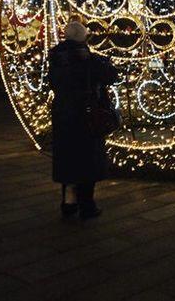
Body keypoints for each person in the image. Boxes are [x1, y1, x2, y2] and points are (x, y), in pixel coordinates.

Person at [48, 21, 119, 220]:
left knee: (68, 159)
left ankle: (69, 202)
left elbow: (53, 83)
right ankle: (87, 205)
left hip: (63, 114)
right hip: (86, 114)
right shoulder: (88, 59)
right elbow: (111, 76)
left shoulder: (56, 57)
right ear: (83, 37)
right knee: (88, 159)